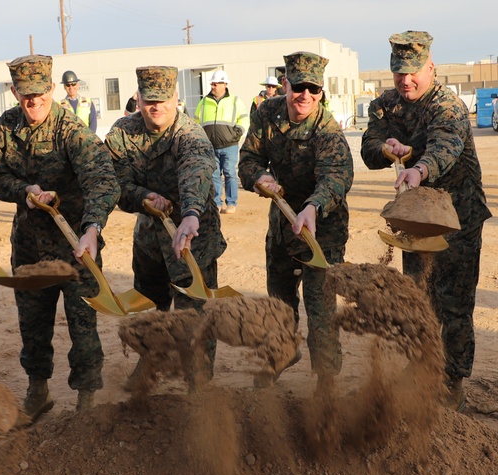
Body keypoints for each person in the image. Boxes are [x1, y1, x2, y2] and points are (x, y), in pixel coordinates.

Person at [360, 31, 491, 412]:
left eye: (414, 72)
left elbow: (445, 147)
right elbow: (369, 146)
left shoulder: (446, 104)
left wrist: (418, 169)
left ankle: (452, 379)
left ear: (431, 67)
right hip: (416, 221)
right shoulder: (386, 105)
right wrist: (385, 148)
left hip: (458, 219)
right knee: (418, 298)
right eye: (399, 73)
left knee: (454, 302)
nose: (406, 81)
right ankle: (421, 366)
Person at [0, 55, 121, 418]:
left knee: (83, 325)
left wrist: (92, 229)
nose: (33, 102)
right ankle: (38, 389)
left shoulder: (72, 130)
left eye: (39, 93)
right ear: (15, 91)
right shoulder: (6, 127)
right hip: (30, 247)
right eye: (25, 94)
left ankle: (86, 399)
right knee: (32, 323)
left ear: (51, 89)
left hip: (76, 245)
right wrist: (25, 191)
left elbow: (104, 182)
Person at [104, 66, 226, 383]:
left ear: (175, 98)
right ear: (139, 99)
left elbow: (196, 171)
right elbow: (114, 181)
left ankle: (199, 387)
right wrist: (143, 197)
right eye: (149, 100)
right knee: (151, 308)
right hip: (149, 241)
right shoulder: (122, 133)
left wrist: (190, 213)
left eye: (162, 100)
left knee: (194, 317)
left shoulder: (189, 134)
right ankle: (150, 365)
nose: (156, 107)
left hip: (192, 237)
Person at [238, 51, 353, 384]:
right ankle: (280, 355)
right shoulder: (266, 114)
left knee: (320, 309)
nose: (305, 95)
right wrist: (259, 179)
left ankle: (327, 385)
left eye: (313, 89)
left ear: (321, 92)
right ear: (285, 83)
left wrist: (313, 206)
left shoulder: (327, 129)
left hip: (323, 228)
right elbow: (248, 160)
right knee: (279, 302)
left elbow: (336, 178)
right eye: (298, 86)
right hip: (283, 225)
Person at [195, 70, 249, 213]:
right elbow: (196, 121)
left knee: (230, 173)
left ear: (224, 84)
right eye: (212, 84)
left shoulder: (235, 101)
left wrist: (237, 134)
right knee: (214, 175)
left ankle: (231, 203)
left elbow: (244, 119)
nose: (212, 86)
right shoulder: (204, 102)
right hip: (210, 146)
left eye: (215, 84)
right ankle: (217, 203)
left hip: (229, 145)